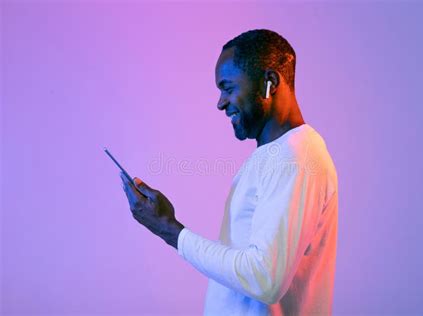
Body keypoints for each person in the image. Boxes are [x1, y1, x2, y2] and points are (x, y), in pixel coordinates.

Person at [120, 29, 339, 315]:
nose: (220, 102)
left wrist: (169, 230)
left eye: (228, 88)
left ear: (269, 83)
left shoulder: (298, 155)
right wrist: (168, 228)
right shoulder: (274, 155)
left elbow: (265, 279)